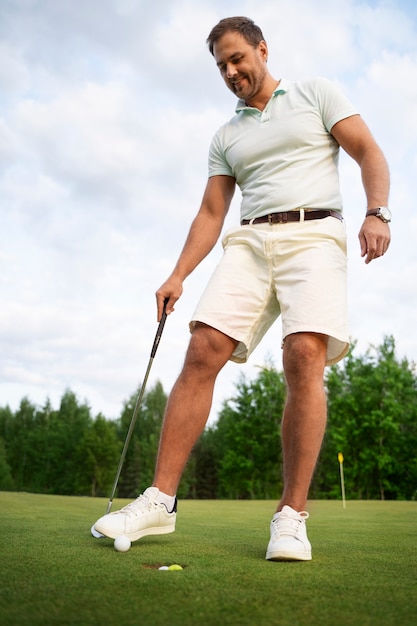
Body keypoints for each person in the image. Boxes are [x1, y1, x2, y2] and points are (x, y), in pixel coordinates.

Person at [94, 16, 390, 561]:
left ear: (262, 49)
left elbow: (370, 152)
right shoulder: (225, 136)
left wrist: (378, 212)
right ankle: (160, 501)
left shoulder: (315, 93)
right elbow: (211, 212)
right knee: (203, 346)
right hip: (250, 242)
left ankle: (291, 518)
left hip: (315, 235)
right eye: (221, 66)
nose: (231, 71)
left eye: (237, 58)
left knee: (304, 355)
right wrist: (178, 273)